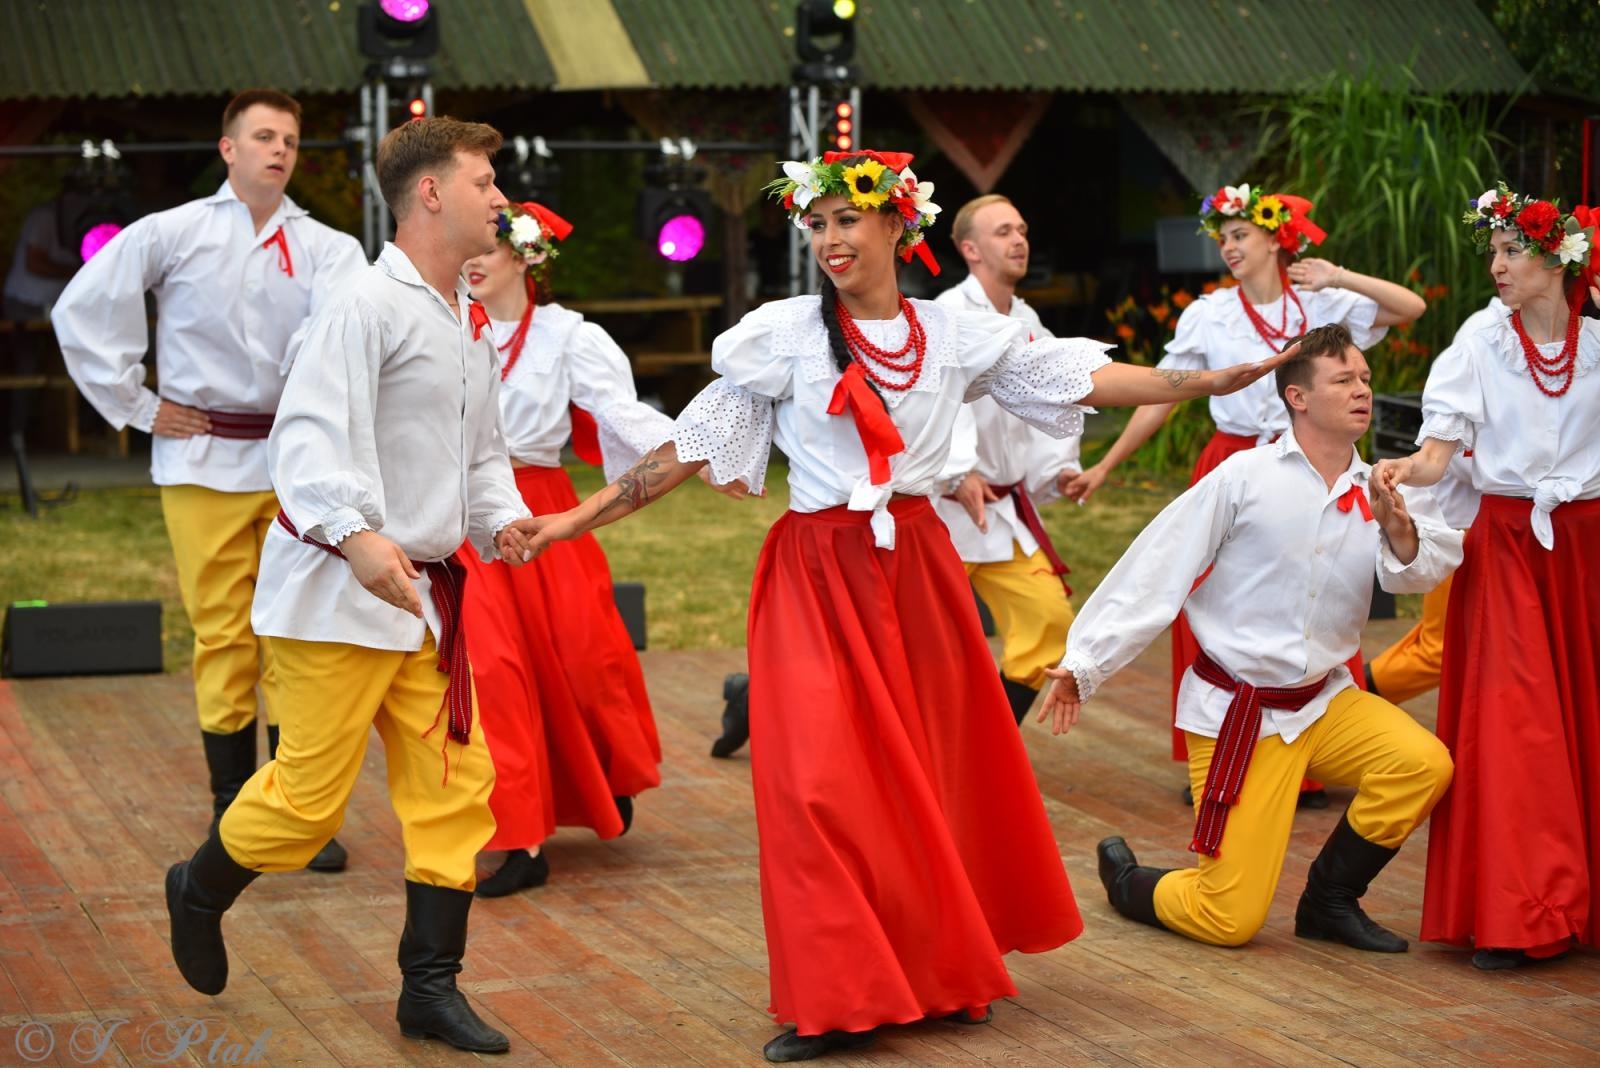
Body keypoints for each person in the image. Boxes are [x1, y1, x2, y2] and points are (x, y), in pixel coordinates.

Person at [526, 149, 1297, 1062]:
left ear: (898, 223)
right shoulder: (784, 337)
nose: (828, 239)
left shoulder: (953, 336)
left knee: (936, 773)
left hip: (918, 568)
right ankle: (834, 992)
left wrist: (1206, 383)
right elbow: (691, 445)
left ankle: (946, 967)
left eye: (846, 220)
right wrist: (573, 518)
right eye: (814, 225)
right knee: (814, 782)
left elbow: (1078, 380)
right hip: (818, 572)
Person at [163, 117, 543, 1054]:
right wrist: (357, 534)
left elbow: (481, 454)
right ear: (429, 194)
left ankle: (430, 990)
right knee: (304, 804)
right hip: (338, 594)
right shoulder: (361, 305)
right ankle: (198, 887)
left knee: (456, 786)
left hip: (427, 601)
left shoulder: (467, 317)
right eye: (486, 182)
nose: (502, 199)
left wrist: (500, 520)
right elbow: (306, 440)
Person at [1045, 323, 1460, 952]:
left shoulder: (1377, 485)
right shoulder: (1245, 477)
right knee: (1229, 918)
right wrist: (1085, 663)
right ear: (1297, 397)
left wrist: (1398, 527)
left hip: (1325, 703)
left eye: (1366, 379)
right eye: (1344, 379)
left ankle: (1329, 900)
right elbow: (1159, 565)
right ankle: (1131, 882)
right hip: (1239, 712)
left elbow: (1428, 567)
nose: (1363, 391)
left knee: (1423, 764)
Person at [51, 89, 367, 870]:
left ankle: (298, 810)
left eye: (290, 139)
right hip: (200, 459)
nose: (279, 149)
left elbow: (343, 335)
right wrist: (139, 404)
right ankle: (234, 812)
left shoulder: (329, 247)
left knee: (298, 632)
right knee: (224, 634)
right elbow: (83, 310)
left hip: (296, 465)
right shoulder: (174, 231)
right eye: (263, 135)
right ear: (228, 148)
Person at [1064, 182, 1426, 803]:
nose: (1229, 248)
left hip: (1316, 458)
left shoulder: (1320, 300)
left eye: (1240, 235)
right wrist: (1106, 464)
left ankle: (1310, 751)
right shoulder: (1210, 313)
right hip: (1234, 459)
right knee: (1215, 599)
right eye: (1223, 239)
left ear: (1274, 237)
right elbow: (1165, 392)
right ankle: (1213, 748)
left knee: (1315, 588)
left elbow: (1410, 307)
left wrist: (1338, 273)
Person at [1376, 186, 1600, 970]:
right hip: (1505, 545)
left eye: (1511, 252)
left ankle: (1581, 900)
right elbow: (1439, 454)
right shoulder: (1479, 342)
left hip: (1585, 549)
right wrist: (1407, 468)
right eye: (1495, 253)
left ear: (1556, 259)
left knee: (1587, 717)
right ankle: (1521, 908)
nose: (1498, 267)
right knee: (1518, 720)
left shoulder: (1599, 344)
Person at [456, 200, 673, 896]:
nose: (474, 261)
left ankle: (600, 780)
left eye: (490, 248)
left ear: (528, 256)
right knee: (491, 673)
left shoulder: (567, 337)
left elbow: (621, 411)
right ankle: (519, 837)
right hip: (463, 516)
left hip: (544, 509)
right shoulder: (441, 326)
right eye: (468, 248)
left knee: (582, 660)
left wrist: (688, 451)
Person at [932, 194, 1083, 723]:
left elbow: (1050, 398)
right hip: (944, 513)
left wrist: (1059, 467)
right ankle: (756, 698)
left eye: (1021, 229)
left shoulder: (1027, 319)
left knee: (1049, 622)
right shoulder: (947, 315)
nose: (1019, 240)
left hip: (1002, 511)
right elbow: (937, 403)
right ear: (969, 249)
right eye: (1003, 232)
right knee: (906, 645)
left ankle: (986, 745)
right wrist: (958, 472)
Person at [1364, 300, 1502, 703]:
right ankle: (1351, 697)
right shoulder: (1482, 336)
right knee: (1441, 648)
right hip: (1464, 528)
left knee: (1443, 642)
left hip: (1521, 531)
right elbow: (1449, 455)